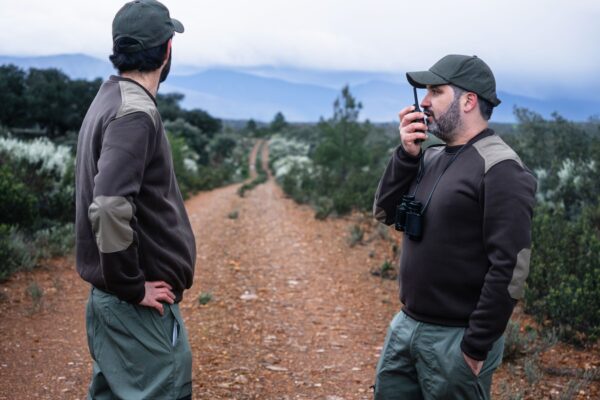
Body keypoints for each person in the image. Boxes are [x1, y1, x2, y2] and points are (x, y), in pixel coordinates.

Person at [372, 54, 537, 399]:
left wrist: (475, 348)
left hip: (455, 341)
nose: (425, 102)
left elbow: (510, 265)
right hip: (407, 326)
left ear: (468, 100)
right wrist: (406, 155)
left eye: (435, 91)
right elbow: (385, 213)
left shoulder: (501, 167)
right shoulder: (430, 156)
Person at [75, 1, 196, 398]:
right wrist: (132, 285)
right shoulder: (135, 113)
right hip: (136, 312)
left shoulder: (108, 99)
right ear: (167, 51)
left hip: (112, 306)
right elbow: (109, 206)